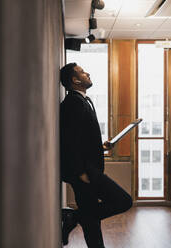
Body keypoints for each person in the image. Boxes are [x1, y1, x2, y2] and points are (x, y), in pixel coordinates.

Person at [59, 63, 133, 247]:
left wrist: (100, 147)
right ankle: (74, 216)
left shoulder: (81, 100)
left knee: (92, 222)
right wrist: (79, 172)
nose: (87, 73)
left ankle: (75, 217)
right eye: (82, 72)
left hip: (87, 168)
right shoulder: (73, 103)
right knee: (123, 201)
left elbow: (81, 138)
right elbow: (69, 140)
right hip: (85, 172)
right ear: (75, 80)